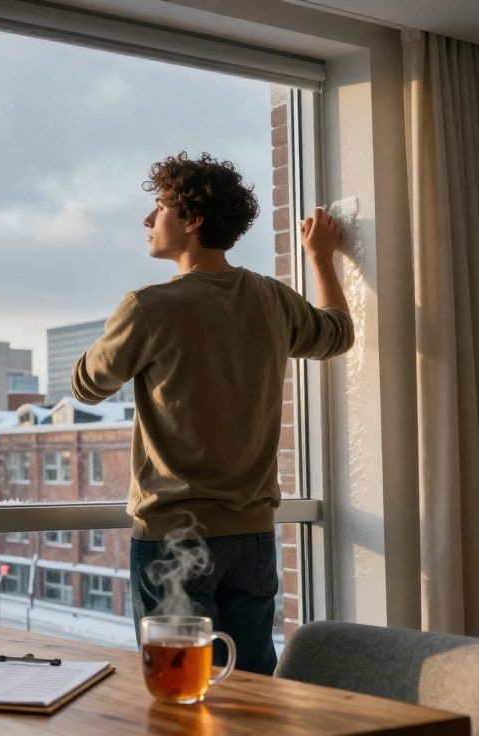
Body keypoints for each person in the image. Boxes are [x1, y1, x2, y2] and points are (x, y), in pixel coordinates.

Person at [70, 152, 353, 675]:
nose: (148, 220)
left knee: (183, 692)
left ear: (193, 219)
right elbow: (338, 332)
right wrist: (321, 259)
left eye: (158, 207)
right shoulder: (272, 298)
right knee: (250, 691)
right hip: (252, 536)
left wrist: (124, 325)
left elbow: (86, 386)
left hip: (175, 537)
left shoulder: (149, 306)